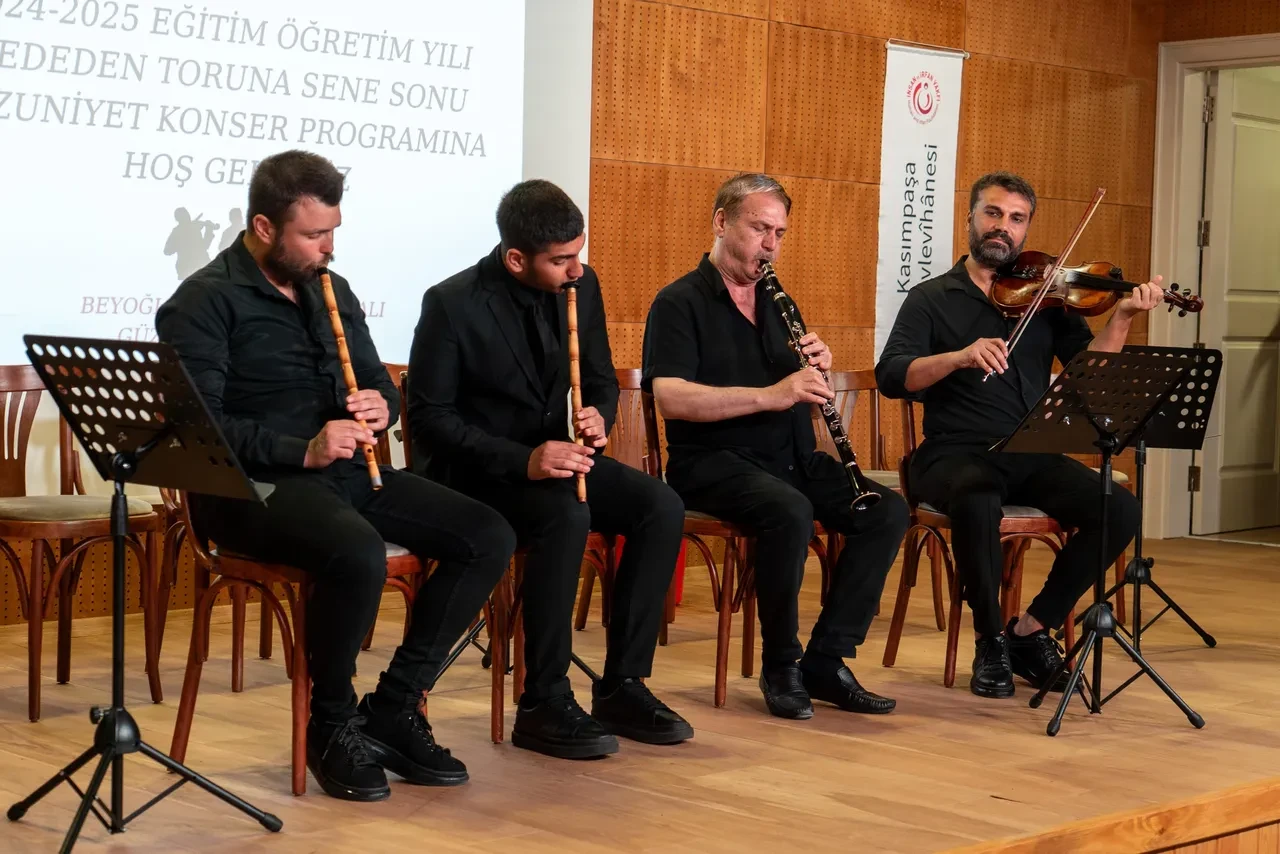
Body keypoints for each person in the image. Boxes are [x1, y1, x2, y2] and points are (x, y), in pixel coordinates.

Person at [156, 150, 517, 802]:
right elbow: (201, 429)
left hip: (347, 475)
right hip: (252, 489)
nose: (328, 247)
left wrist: (384, 406)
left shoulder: (332, 288)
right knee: (354, 551)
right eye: (314, 235)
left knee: (486, 533)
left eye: (334, 231)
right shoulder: (203, 302)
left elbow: (379, 384)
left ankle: (395, 707)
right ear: (264, 228)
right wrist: (304, 449)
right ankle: (330, 724)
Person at [407, 179, 693, 759]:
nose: (576, 269)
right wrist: (523, 460)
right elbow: (430, 419)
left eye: (578, 254)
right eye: (560, 260)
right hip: (478, 471)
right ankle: (542, 700)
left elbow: (604, 378)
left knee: (659, 506)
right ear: (516, 258)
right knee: (566, 513)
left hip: (556, 456)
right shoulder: (451, 302)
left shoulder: (582, 289)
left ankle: (623, 685)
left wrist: (599, 415)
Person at [875, 171, 1162, 699]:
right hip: (952, 453)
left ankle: (1030, 630)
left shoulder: (1048, 300)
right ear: (970, 218)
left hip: (1028, 450)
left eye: (1016, 218)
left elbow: (1088, 372)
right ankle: (989, 642)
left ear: (1026, 228)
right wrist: (958, 356)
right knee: (977, 495)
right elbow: (892, 376)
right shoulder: (932, 298)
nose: (1002, 227)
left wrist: (1120, 318)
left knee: (1118, 509)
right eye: (992, 213)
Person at [641, 173, 910, 721]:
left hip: (788, 459)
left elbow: (799, 397)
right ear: (721, 222)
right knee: (789, 510)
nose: (771, 245)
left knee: (887, 511)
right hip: (713, 463)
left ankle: (826, 659)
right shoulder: (679, 302)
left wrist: (818, 379)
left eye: (780, 233)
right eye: (760, 229)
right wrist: (773, 393)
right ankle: (781, 664)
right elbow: (671, 398)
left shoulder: (779, 302)